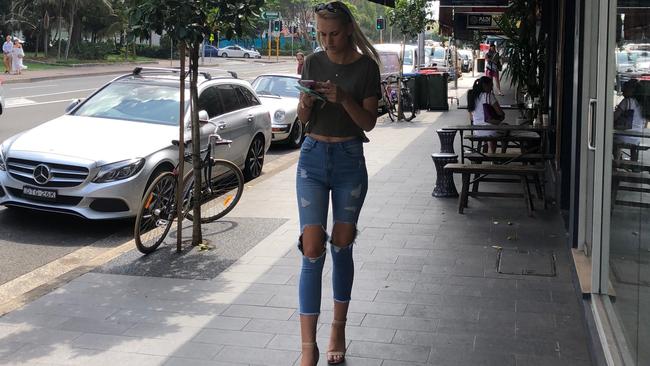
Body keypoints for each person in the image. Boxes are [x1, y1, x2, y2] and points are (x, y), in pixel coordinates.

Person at [296, 1, 380, 365]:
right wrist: (305, 103)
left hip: (348, 160)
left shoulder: (366, 68)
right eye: (321, 34)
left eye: (332, 34)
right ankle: (307, 348)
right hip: (312, 156)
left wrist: (343, 97)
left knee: (342, 244)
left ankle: (338, 329)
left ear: (348, 30)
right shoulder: (313, 62)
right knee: (312, 246)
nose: (327, 41)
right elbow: (304, 120)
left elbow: (368, 123)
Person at [467, 76, 505, 153]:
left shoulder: (472, 96)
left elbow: (471, 118)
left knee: (489, 131)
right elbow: (500, 113)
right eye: (491, 86)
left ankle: (484, 153)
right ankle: (499, 155)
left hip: (477, 131)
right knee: (506, 130)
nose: (491, 89)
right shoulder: (488, 96)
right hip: (490, 131)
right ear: (485, 85)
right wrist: (500, 118)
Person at [613, 79, 646, 160]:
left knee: (610, 139)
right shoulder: (642, 103)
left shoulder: (627, 101)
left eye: (625, 88)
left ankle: (617, 161)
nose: (623, 90)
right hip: (636, 138)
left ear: (631, 90)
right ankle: (634, 163)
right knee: (634, 144)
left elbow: (614, 117)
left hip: (624, 137)